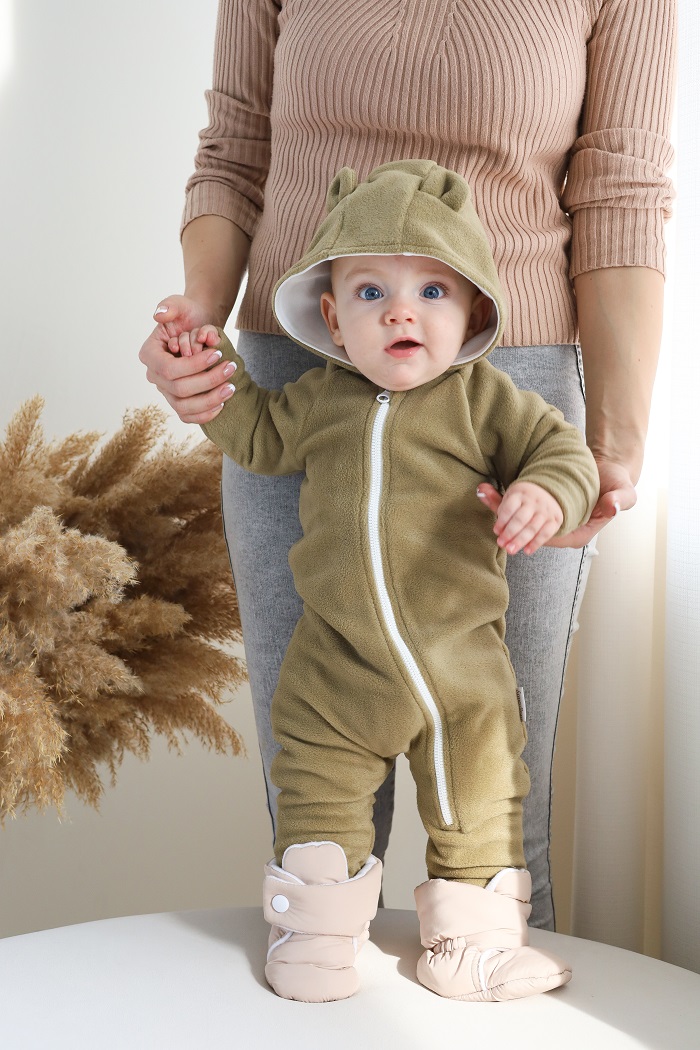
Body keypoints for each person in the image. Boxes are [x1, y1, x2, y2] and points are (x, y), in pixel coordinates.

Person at [138, 0, 676, 930]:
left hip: (509, 377)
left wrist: (607, 451)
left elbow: (621, 188)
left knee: (496, 794)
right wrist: (196, 326)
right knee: (314, 790)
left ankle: (497, 978)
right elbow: (236, 149)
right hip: (296, 360)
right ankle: (320, 974)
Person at [191, 160, 599, 1002]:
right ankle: (314, 938)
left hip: (461, 677)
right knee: (316, 801)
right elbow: (256, 432)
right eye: (371, 292)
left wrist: (544, 493)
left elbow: (563, 453)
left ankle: (474, 950)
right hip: (334, 675)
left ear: (473, 312)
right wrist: (206, 360)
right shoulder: (317, 399)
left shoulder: (487, 401)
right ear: (333, 320)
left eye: (432, 292)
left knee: (483, 806)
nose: (401, 311)